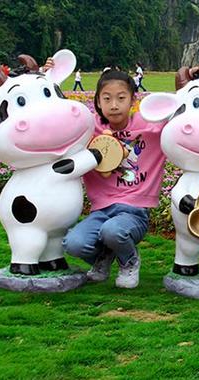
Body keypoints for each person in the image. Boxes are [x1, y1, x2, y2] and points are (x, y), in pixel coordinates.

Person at [62, 69, 168, 289]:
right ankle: (104, 258)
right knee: (73, 244)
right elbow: (58, 113)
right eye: (107, 98)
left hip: (135, 211)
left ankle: (129, 261)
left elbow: (182, 113)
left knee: (113, 231)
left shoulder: (150, 125)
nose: (114, 105)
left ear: (133, 99)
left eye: (121, 98)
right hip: (101, 210)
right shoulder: (90, 129)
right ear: (98, 102)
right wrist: (44, 73)